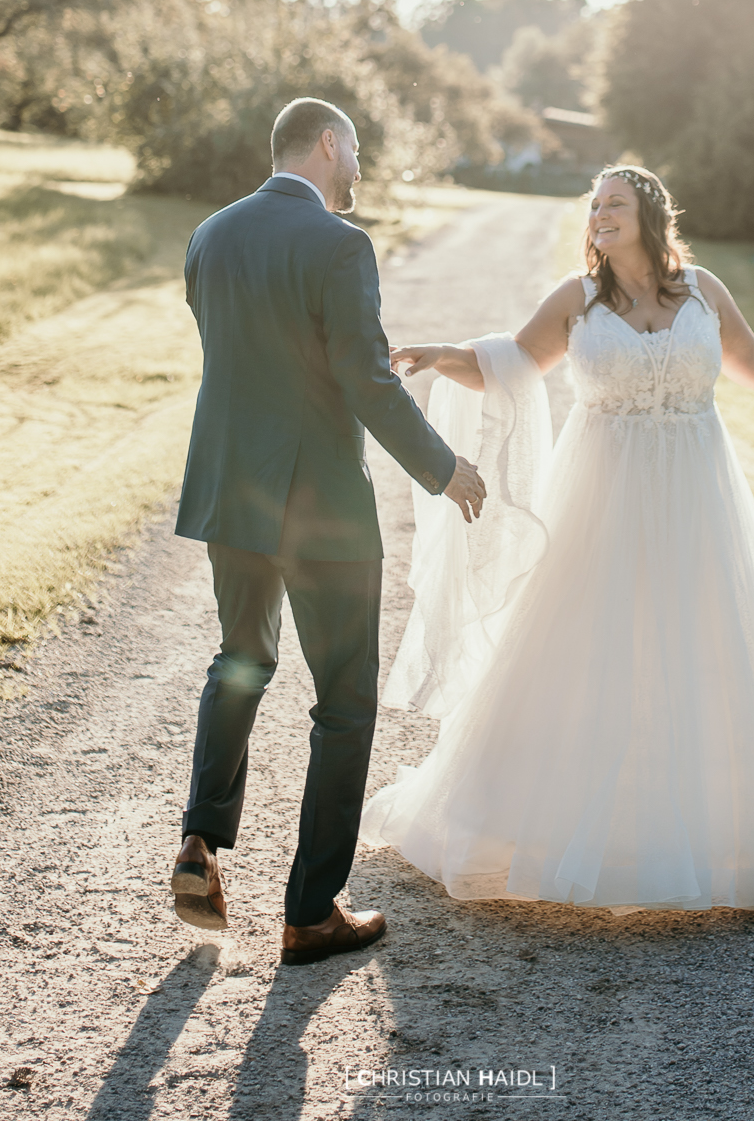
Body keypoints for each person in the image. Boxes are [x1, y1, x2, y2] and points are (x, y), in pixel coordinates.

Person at [360, 165, 754, 912]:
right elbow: (507, 364)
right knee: (582, 646)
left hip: (698, 498)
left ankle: (728, 840)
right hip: (601, 498)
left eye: (612, 203)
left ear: (649, 212)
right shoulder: (578, 297)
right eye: (592, 207)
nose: (598, 215)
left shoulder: (704, 290)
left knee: (705, 647)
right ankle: (534, 828)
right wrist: (440, 355)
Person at [169, 98, 486, 964]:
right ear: (327, 143)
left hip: (231, 496)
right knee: (343, 705)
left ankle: (199, 839)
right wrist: (442, 464)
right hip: (323, 511)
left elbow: (233, 357)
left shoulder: (209, 236)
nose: (359, 168)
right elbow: (364, 381)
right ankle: (311, 913)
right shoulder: (341, 246)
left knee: (240, 660)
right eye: (355, 151)